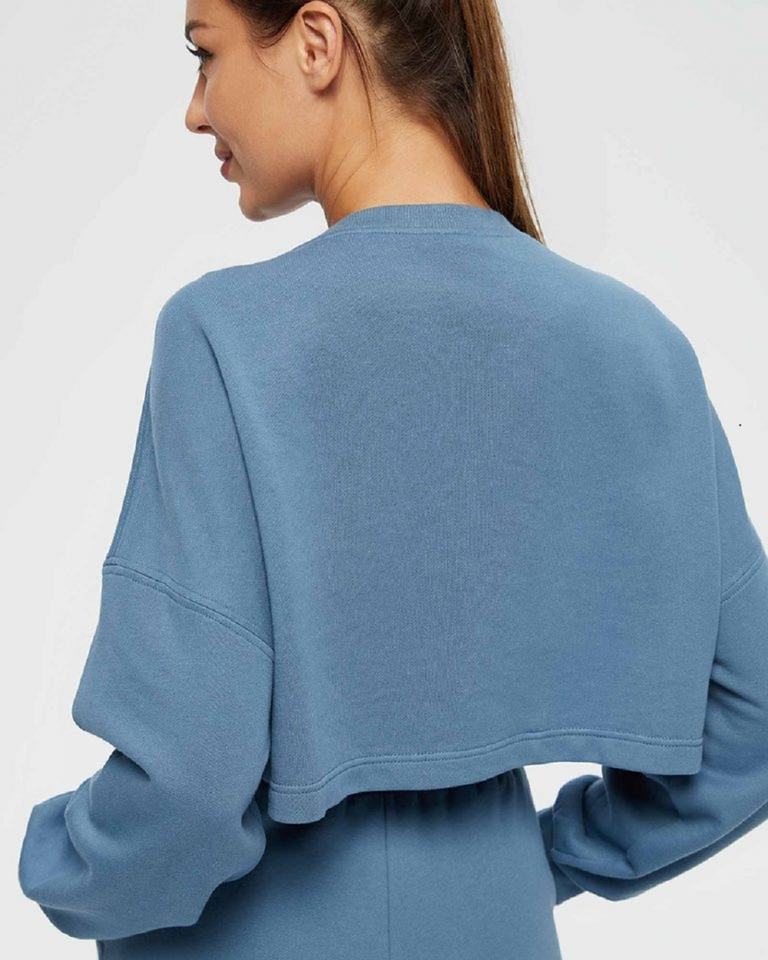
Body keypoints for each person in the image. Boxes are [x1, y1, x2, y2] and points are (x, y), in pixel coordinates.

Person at [17, 0, 768, 957]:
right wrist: (530, 864)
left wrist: (62, 865)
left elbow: (187, 787)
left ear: (317, 42)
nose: (196, 110)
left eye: (205, 56)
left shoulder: (228, 339)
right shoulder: (637, 347)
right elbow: (753, 723)